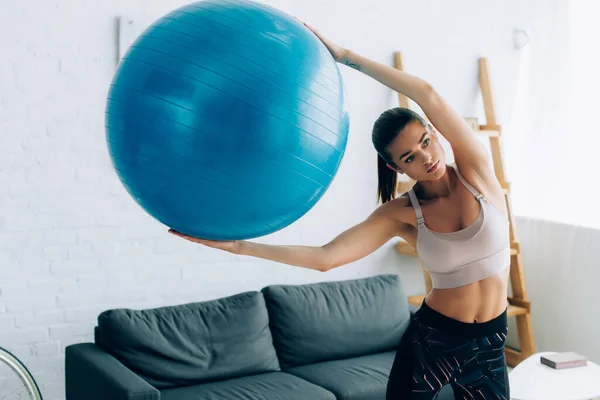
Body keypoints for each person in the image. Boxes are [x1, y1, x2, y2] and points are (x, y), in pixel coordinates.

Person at [170, 22, 511, 400]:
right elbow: (325, 258)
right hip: (433, 341)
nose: (426, 157)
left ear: (434, 131)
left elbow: (426, 93)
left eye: (426, 142)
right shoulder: (401, 214)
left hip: (491, 341)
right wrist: (239, 247)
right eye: (410, 157)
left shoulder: (477, 173)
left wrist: (346, 57)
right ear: (397, 168)